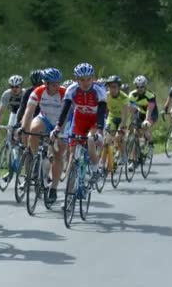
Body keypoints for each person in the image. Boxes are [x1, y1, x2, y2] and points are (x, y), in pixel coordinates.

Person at [52, 62, 107, 184]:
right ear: (76, 79)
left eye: (88, 79)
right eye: (82, 80)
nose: (85, 83)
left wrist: (99, 130)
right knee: (72, 156)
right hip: (79, 120)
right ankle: (71, 191)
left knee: (91, 140)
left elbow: (101, 112)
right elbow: (65, 110)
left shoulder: (99, 90)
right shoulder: (71, 89)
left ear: (93, 78)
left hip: (94, 121)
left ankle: (95, 169)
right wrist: (57, 128)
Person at [18, 67, 67, 203]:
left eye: (58, 83)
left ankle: (54, 188)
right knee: (33, 129)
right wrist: (23, 129)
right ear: (45, 83)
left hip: (61, 122)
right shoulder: (38, 91)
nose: (56, 86)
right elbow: (28, 112)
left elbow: (68, 115)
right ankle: (35, 159)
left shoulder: (64, 93)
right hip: (44, 119)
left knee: (59, 152)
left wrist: (58, 131)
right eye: (53, 84)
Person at [103, 75, 131, 165]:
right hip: (112, 117)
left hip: (123, 117)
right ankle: (104, 162)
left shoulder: (124, 97)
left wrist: (122, 125)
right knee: (107, 139)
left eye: (114, 87)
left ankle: (123, 155)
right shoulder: (106, 95)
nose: (112, 89)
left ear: (119, 87)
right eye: (110, 87)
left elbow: (125, 113)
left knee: (119, 137)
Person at [128, 75, 158, 152]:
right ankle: (138, 149)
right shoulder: (132, 95)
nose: (139, 89)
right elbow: (131, 110)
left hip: (151, 113)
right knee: (137, 131)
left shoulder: (150, 95)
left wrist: (146, 120)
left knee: (145, 127)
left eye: (142, 87)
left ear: (145, 86)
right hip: (141, 112)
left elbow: (149, 110)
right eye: (137, 87)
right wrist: (131, 121)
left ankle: (151, 144)